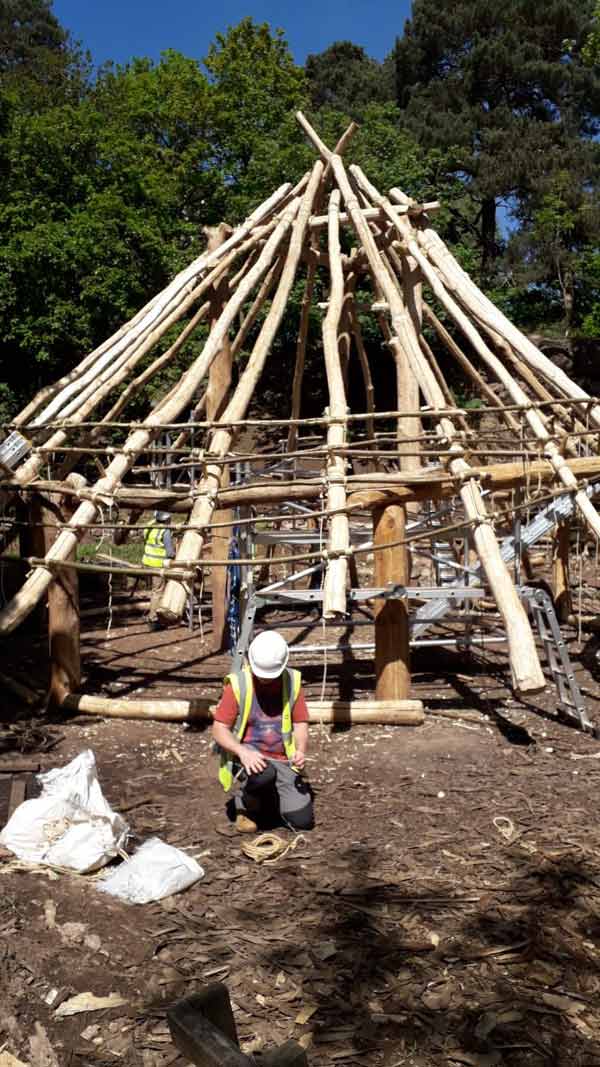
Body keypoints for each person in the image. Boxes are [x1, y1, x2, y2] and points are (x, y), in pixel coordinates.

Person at [212, 630, 314, 833]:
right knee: (263, 773)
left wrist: (300, 750)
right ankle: (245, 804)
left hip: (283, 758)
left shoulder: (293, 681)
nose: (266, 680)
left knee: (302, 821)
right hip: (250, 756)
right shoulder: (239, 684)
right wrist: (241, 751)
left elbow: (300, 722)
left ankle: (274, 795)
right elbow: (219, 729)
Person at [142, 510, 175, 630]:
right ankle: (153, 619)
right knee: (158, 592)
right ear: (166, 519)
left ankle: (154, 614)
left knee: (154, 590)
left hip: (147, 562)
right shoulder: (165, 531)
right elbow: (170, 552)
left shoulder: (149, 525)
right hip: (157, 564)